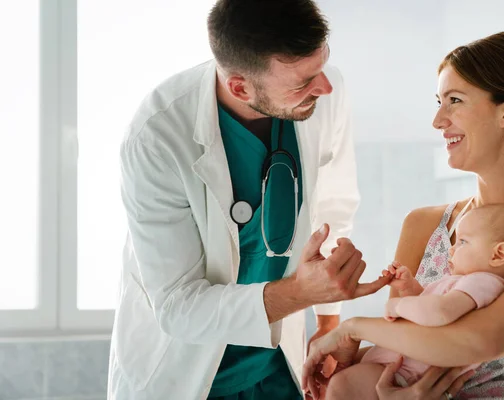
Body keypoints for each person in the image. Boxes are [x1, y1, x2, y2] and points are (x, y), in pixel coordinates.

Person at [107, 1, 391, 399]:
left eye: (322, 65)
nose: (324, 87)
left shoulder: (325, 89)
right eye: (302, 83)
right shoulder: (157, 136)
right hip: (187, 372)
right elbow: (177, 305)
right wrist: (301, 293)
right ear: (239, 86)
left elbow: (334, 204)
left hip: (276, 367)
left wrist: (329, 325)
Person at [303, 31, 504, 399]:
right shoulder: (423, 225)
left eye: (454, 101)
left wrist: (351, 329)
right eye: (438, 102)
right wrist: (355, 361)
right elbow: (403, 349)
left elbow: (482, 338)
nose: (438, 121)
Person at [317, 203, 504, 400]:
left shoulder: (484, 282)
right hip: (395, 367)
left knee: (340, 387)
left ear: (498, 255)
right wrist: (411, 289)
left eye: (464, 242)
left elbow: (440, 313)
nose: (452, 250)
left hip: (403, 375)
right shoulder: (465, 283)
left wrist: (398, 306)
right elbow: (433, 310)